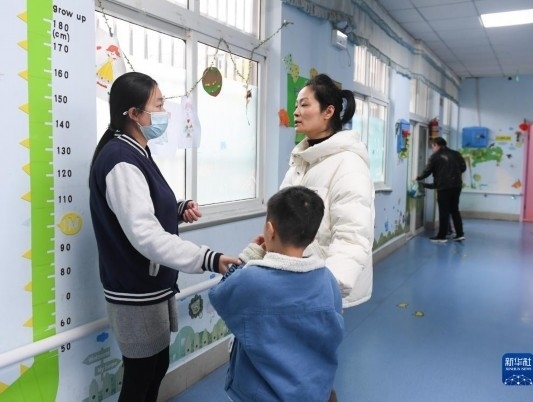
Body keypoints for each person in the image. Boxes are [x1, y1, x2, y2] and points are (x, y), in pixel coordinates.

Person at [89, 71, 240, 402]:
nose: (164, 112)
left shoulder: (137, 151)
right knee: (141, 377)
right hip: (135, 290)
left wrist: (177, 208)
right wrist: (208, 258)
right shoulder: (120, 160)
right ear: (134, 113)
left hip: (150, 286)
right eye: (158, 105)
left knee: (156, 367)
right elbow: (145, 234)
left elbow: (141, 208)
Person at [209, 186, 345, 402]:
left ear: (269, 230)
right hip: (312, 391)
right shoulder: (328, 279)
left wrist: (248, 256)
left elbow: (221, 293)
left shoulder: (252, 279)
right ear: (311, 237)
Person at [281, 73, 375, 308]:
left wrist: (328, 287)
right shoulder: (302, 161)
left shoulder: (348, 164)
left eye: (304, 105)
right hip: (296, 278)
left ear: (328, 112)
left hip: (320, 286)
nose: (296, 112)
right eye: (296, 105)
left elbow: (352, 236)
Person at [416, 136, 467, 243]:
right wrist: (454, 175)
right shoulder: (456, 154)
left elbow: (427, 171)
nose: (432, 149)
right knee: (455, 210)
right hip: (457, 186)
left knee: (444, 211)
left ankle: (442, 236)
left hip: (444, 187)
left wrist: (419, 178)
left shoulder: (435, 156)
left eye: (432, 146)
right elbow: (463, 167)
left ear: (436, 145)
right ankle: (460, 234)